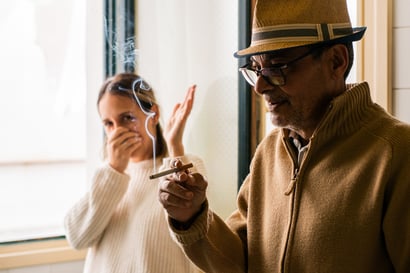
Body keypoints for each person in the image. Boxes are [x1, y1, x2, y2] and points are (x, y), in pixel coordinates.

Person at [158, 0, 410, 272]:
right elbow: (240, 262)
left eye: (277, 68)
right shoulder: (270, 152)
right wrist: (192, 216)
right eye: (255, 69)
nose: (260, 86)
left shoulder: (396, 153)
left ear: (336, 61)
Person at [64, 73, 205, 273]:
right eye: (109, 124)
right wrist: (114, 170)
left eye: (127, 118)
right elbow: (77, 237)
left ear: (153, 115)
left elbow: (193, 237)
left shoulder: (186, 164)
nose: (117, 132)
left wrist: (175, 148)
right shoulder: (107, 175)